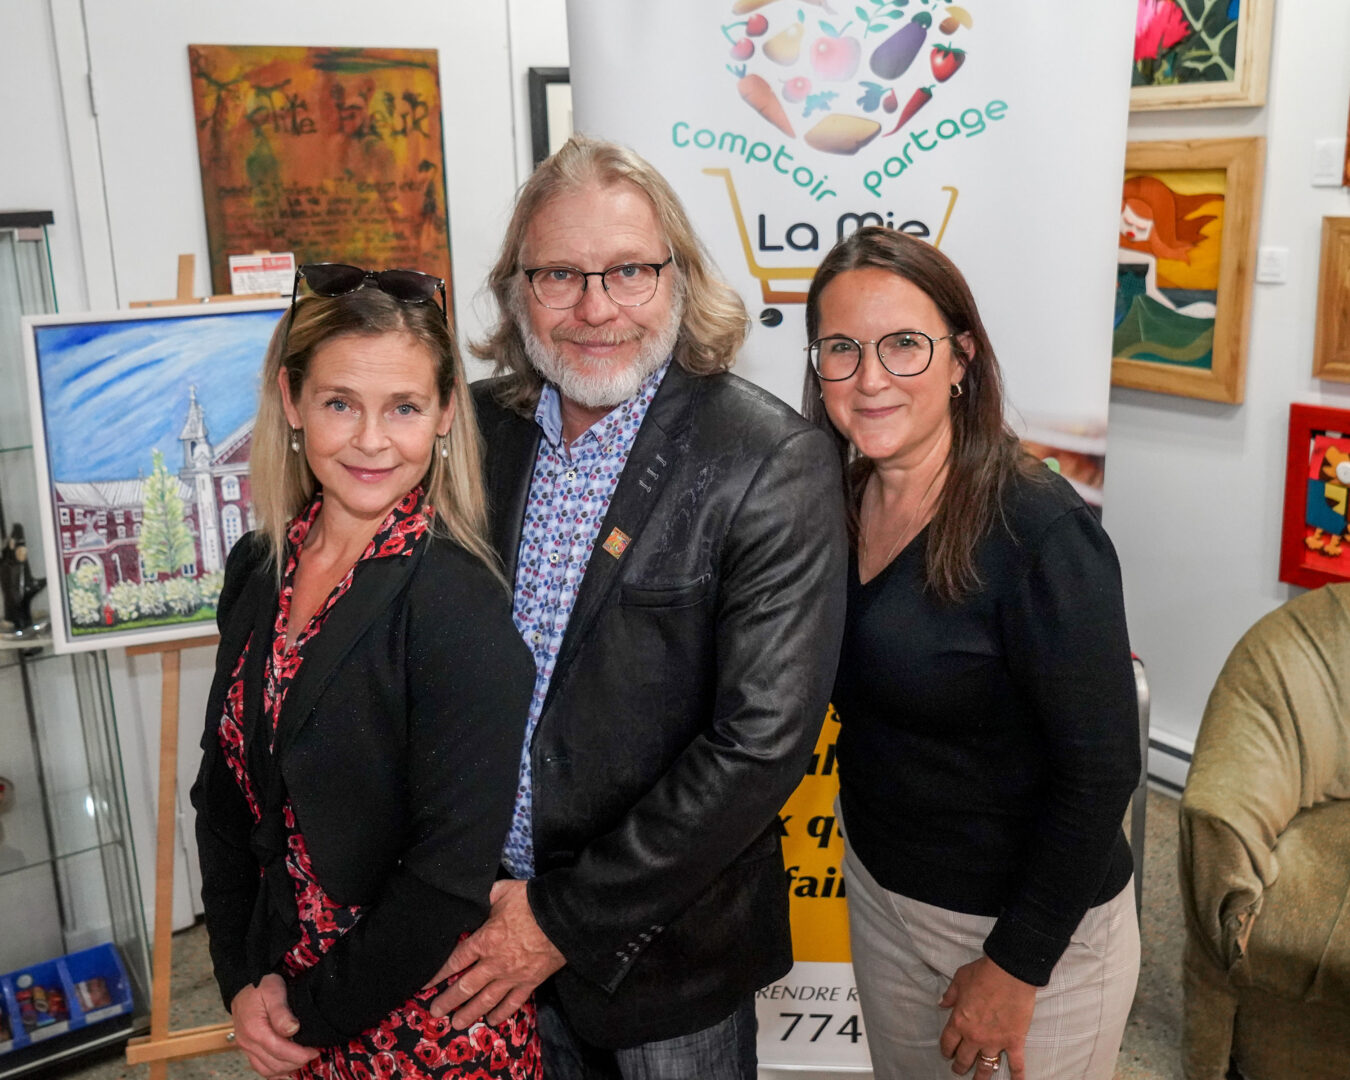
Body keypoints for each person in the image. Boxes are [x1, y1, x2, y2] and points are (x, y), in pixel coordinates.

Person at [419, 135, 848, 1079]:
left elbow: (758, 746)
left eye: (628, 271)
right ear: (516, 288)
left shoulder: (767, 462)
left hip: (663, 961)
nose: (595, 307)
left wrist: (559, 921)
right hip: (483, 926)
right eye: (560, 275)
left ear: (680, 277)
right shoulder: (474, 435)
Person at [801, 227, 1141, 1080]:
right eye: (842, 349)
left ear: (961, 359)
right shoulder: (828, 510)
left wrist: (1018, 964)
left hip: (1031, 935)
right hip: (885, 898)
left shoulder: (1039, 530)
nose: (871, 377)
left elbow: (1101, 772)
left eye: (904, 345)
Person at [191, 265, 540, 1080]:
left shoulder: (455, 601)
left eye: (405, 408)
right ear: (292, 402)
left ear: (447, 413)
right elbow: (225, 798)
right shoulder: (257, 566)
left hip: (425, 1034)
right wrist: (243, 983)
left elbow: (446, 877)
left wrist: (303, 1020)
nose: (372, 440)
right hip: (289, 1000)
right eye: (340, 402)